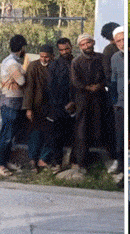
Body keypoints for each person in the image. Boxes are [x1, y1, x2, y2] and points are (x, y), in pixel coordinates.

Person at [71, 33, 109, 169]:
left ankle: (108, 163)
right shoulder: (76, 62)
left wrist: (99, 86)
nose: (86, 46)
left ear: (93, 42)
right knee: (82, 130)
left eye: (88, 43)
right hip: (83, 99)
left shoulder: (101, 58)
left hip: (100, 98)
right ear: (80, 47)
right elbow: (75, 81)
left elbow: (108, 75)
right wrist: (87, 87)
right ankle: (81, 163)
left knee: (103, 128)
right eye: (83, 44)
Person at [0, 34, 28, 176]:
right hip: (9, 102)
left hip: (14, 102)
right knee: (7, 134)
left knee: (11, 134)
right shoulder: (12, 63)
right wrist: (26, 65)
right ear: (22, 48)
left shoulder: (13, 60)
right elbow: (21, 81)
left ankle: (5, 160)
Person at [44, 37, 76, 167]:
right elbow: (51, 87)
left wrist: (73, 102)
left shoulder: (76, 62)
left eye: (67, 49)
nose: (64, 52)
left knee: (75, 135)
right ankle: (57, 162)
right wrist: (62, 105)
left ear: (71, 47)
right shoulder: (54, 65)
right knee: (57, 137)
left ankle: (74, 162)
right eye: (61, 50)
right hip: (59, 107)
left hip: (75, 105)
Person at [23, 44, 54, 171]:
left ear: (52, 56)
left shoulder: (55, 65)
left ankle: (43, 159)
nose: (44, 59)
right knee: (35, 134)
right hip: (36, 106)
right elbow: (29, 88)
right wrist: (28, 108)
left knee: (50, 133)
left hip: (51, 107)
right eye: (41, 56)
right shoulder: (33, 66)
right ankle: (32, 160)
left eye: (46, 57)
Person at [109, 27, 125, 174]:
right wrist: (114, 101)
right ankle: (120, 164)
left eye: (123, 39)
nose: (122, 43)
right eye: (118, 41)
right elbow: (113, 81)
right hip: (119, 105)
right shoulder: (114, 58)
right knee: (119, 138)